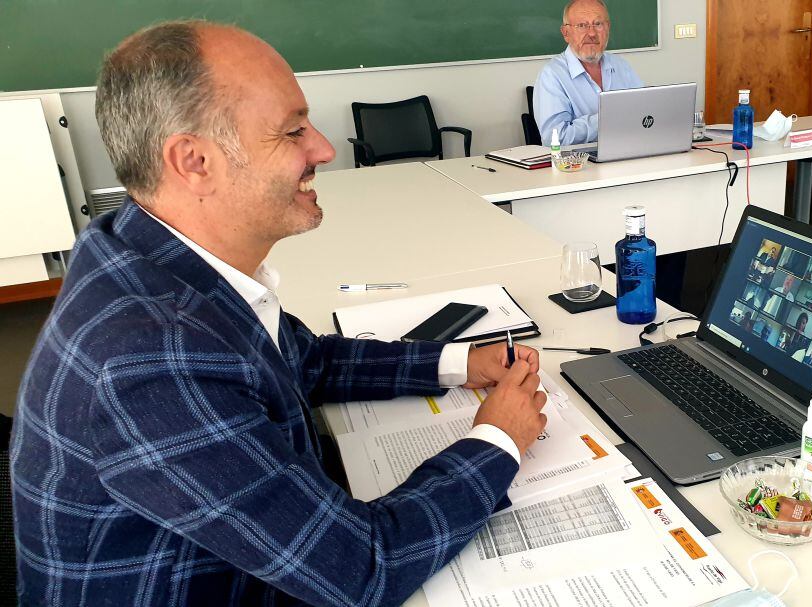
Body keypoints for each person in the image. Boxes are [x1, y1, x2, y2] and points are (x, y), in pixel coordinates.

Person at [11, 21, 548, 606]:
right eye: (293, 132)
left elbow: (304, 360)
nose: (324, 149)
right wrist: (500, 439)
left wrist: (458, 363)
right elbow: (360, 570)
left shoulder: (155, 253)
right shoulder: (149, 354)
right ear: (194, 161)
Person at [533, 0, 643, 145]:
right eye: (582, 25)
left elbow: (643, 112)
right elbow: (554, 138)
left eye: (598, 24)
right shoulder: (552, 75)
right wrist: (607, 119)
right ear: (566, 33)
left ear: (607, 28)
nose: (591, 33)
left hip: (628, 152)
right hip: (581, 164)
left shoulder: (622, 66)